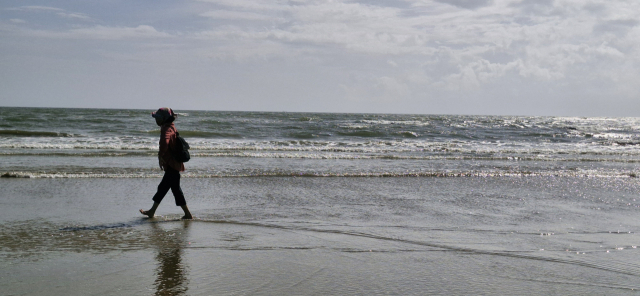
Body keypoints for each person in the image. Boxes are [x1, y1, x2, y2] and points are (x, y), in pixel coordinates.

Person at [140, 107, 193, 220]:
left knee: (172, 189)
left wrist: (161, 156)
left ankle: (188, 214)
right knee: (166, 188)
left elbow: (165, 142)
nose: (156, 120)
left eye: (157, 118)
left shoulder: (166, 129)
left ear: (163, 119)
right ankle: (152, 211)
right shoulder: (171, 127)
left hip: (172, 164)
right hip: (174, 164)